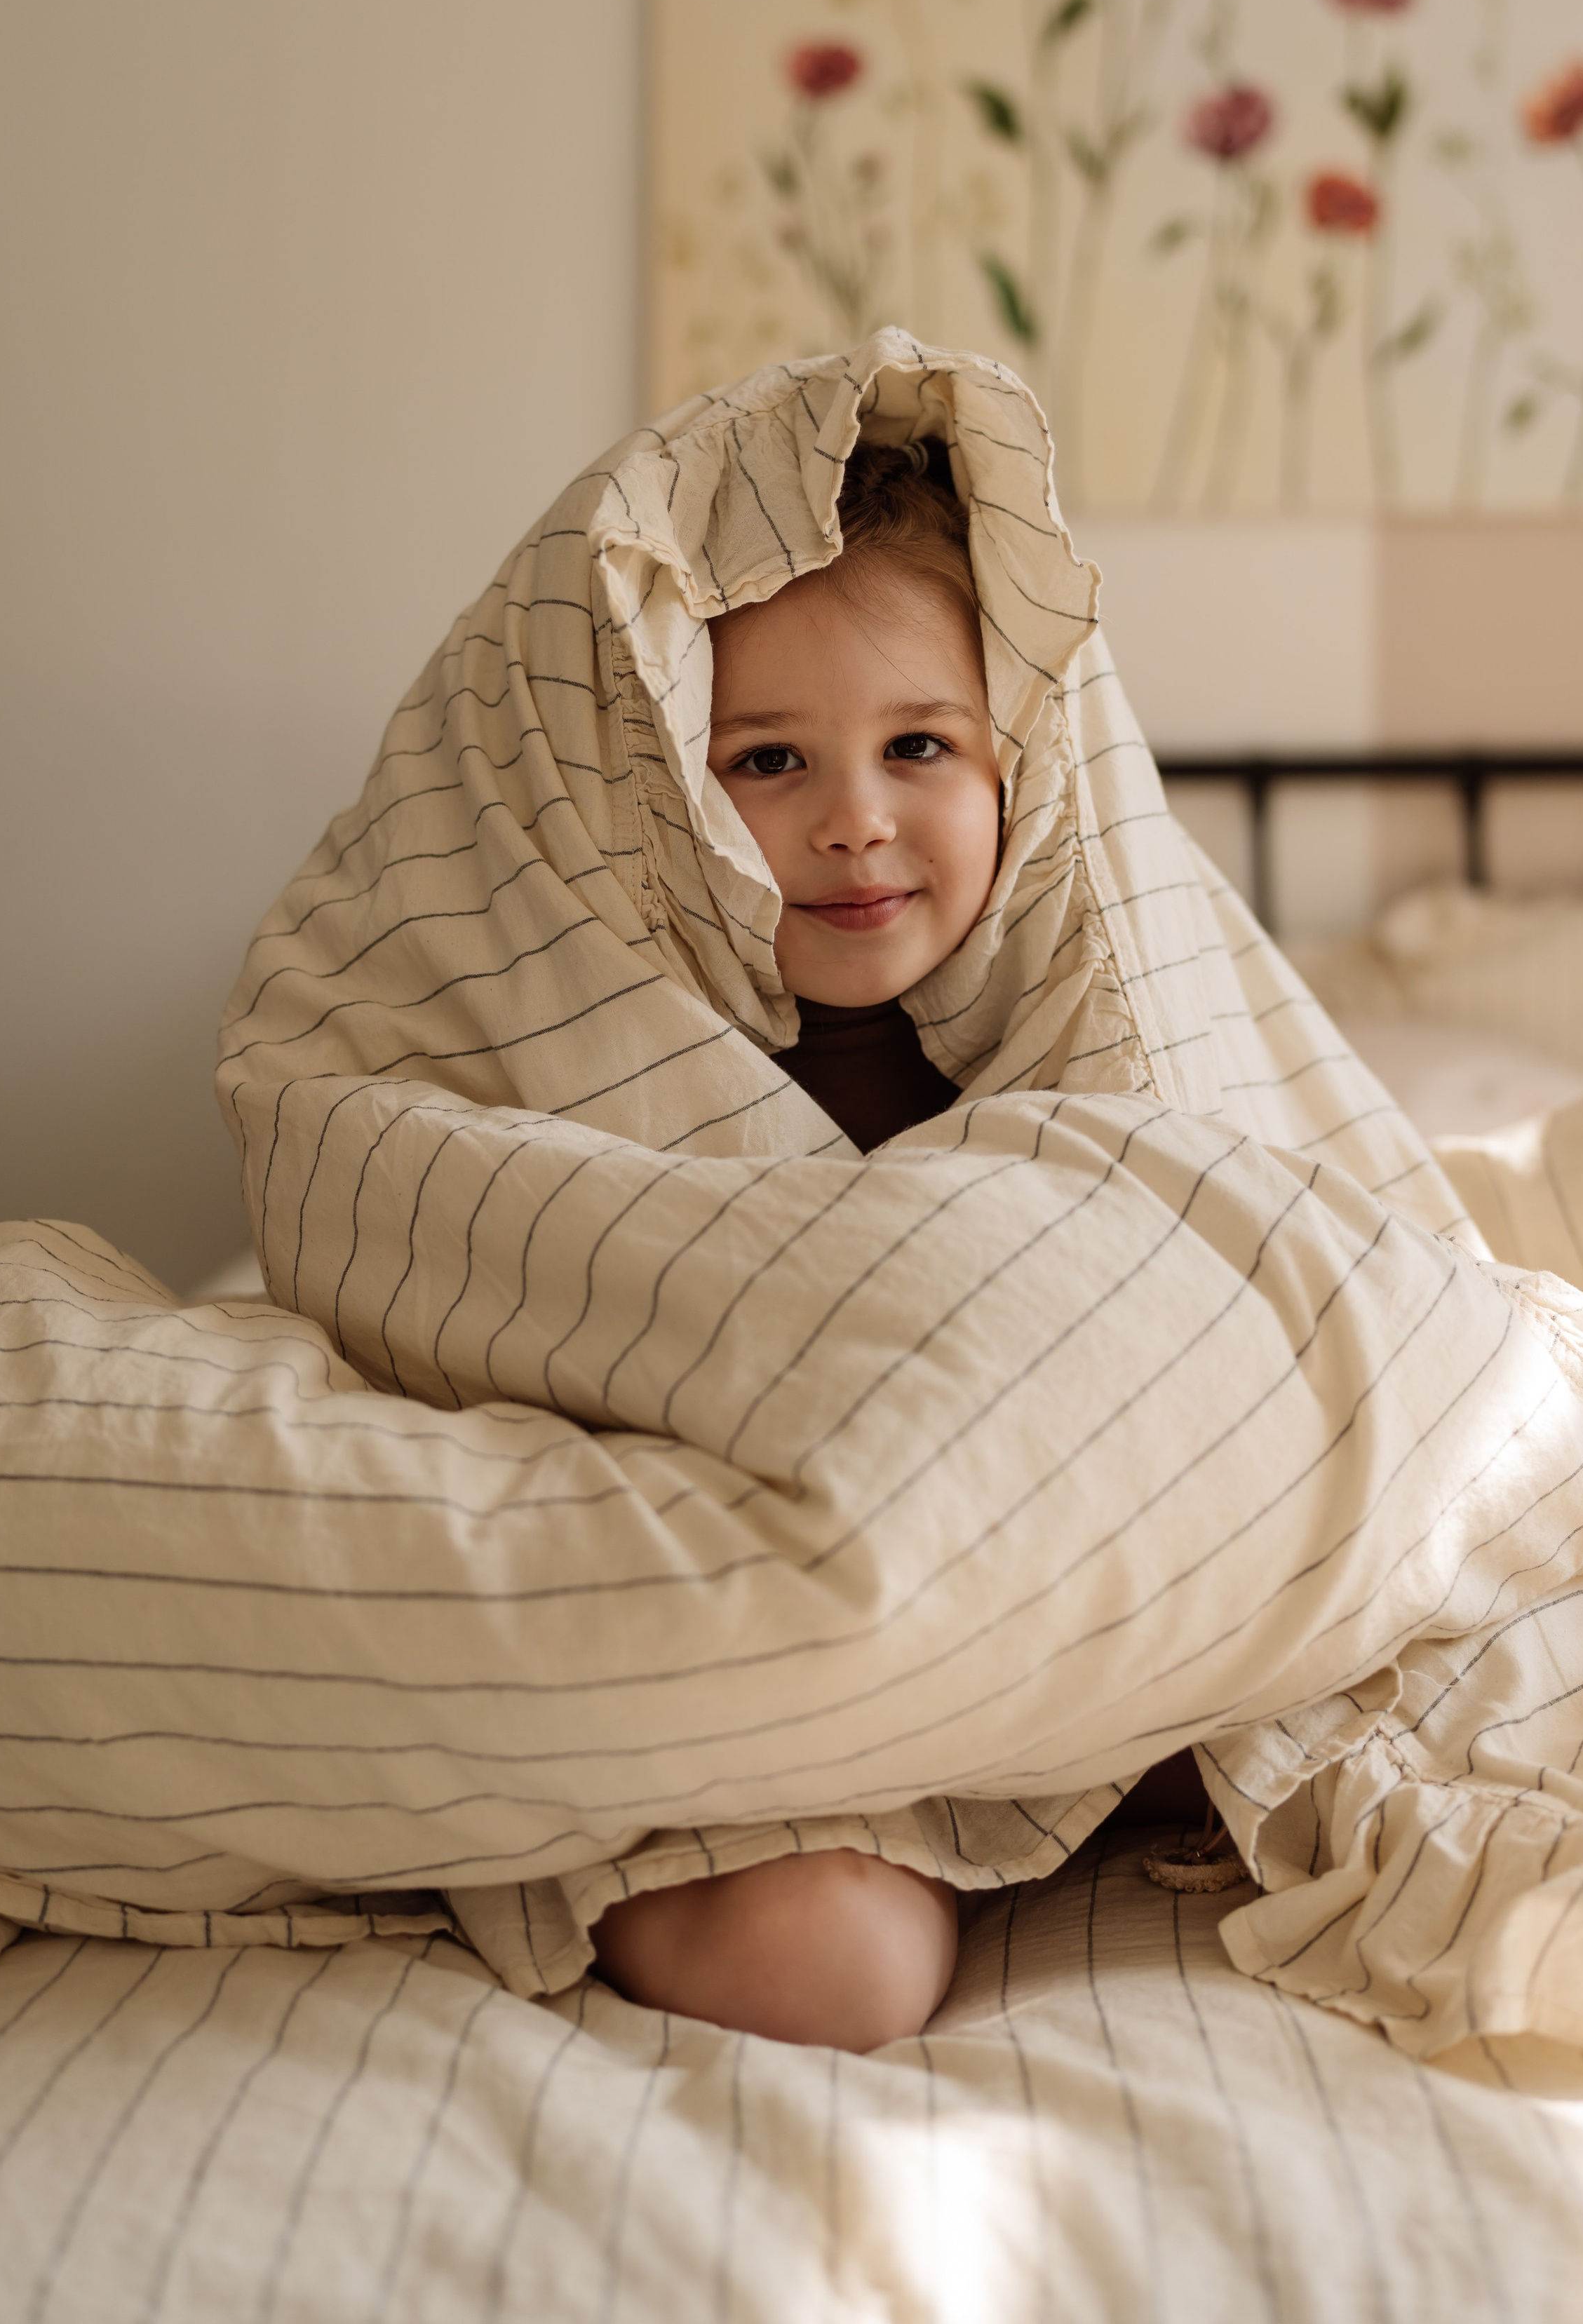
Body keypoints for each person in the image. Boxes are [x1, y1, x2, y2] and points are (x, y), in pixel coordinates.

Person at [590, 440, 1202, 2049]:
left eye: (917, 744)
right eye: (766, 762)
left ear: (1018, 768)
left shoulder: (1097, 1040)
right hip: (753, 1647)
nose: (855, 823)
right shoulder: (609, 1056)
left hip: (1027, 1645)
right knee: (823, 1966)